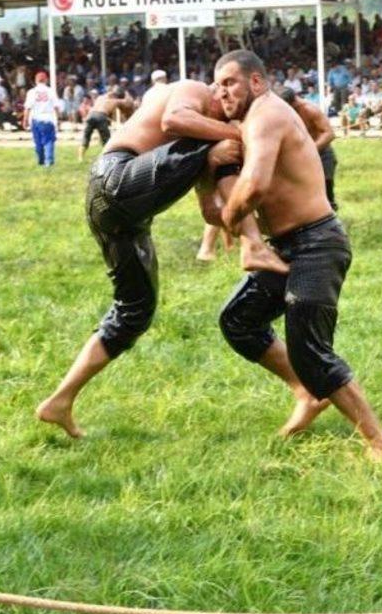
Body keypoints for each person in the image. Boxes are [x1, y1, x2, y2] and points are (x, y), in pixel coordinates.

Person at [36, 78, 285, 438]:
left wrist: (244, 214)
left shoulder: (203, 145)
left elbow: (210, 213)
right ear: (217, 88)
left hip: (126, 214)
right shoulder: (193, 90)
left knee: (134, 311)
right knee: (213, 141)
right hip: (115, 179)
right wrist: (238, 136)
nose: (232, 115)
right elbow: (173, 120)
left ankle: (59, 401)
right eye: (229, 108)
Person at [213, 50, 382, 462]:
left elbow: (256, 184)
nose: (221, 91)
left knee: (310, 348)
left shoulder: (267, 113)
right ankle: (307, 393)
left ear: (257, 82)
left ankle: (380, 440)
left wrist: (229, 218)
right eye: (217, 85)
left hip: (317, 242)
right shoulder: (247, 121)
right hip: (286, 247)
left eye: (229, 82)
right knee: (239, 320)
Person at [278, 87, 338, 210]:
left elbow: (329, 133)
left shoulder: (309, 109)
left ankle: (330, 215)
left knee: (326, 187)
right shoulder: (282, 111)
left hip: (322, 153)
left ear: (294, 102)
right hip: (298, 153)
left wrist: (311, 149)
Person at [78, 86, 135, 161]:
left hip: (90, 115)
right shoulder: (115, 100)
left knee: (86, 137)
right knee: (106, 140)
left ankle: (80, 158)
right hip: (101, 116)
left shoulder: (100, 97)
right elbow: (127, 103)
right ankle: (106, 158)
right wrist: (127, 93)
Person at [23, 71, 63, 167]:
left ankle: (41, 160)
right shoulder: (50, 91)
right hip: (48, 118)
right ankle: (49, 161)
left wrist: (25, 120)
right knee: (48, 140)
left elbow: (28, 107)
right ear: (46, 80)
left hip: (36, 118)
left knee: (38, 142)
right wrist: (59, 119)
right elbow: (56, 106)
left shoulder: (32, 92)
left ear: (36, 81)